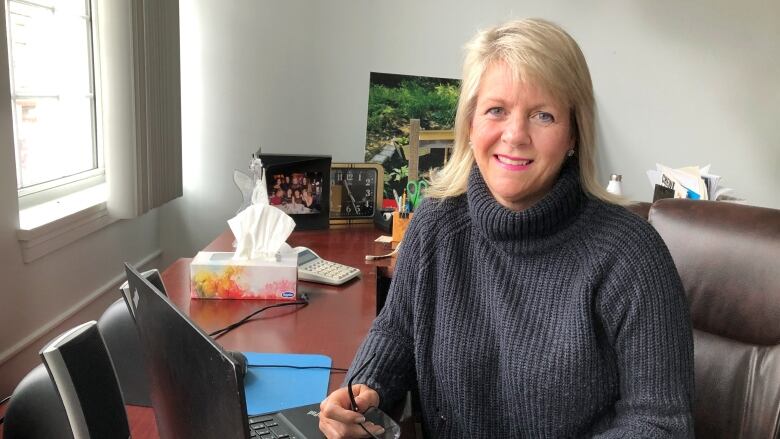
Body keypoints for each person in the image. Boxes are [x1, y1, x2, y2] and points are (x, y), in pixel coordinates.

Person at [319, 18, 694, 438]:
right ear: (471, 123)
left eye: (543, 115)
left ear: (574, 133)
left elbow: (660, 423)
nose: (515, 135)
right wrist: (365, 388)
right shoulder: (436, 224)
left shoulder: (631, 254)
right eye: (496, 110)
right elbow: (400, 328)